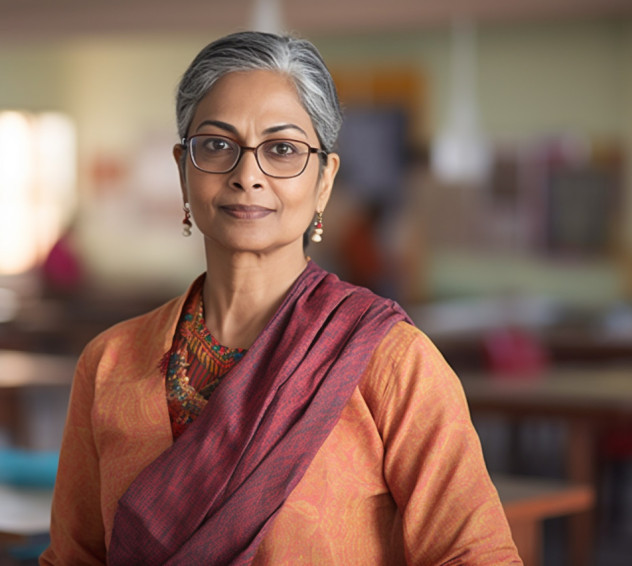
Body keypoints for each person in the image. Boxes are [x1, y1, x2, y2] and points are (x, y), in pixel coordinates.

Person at [40, 31, 521, 565]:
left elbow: (476, 556)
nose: (248, 175)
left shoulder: (392, 362)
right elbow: (73, 557)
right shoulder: (108, 364)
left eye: (283, 149)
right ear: (182, 169)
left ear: (323, 181)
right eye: (217, 145)